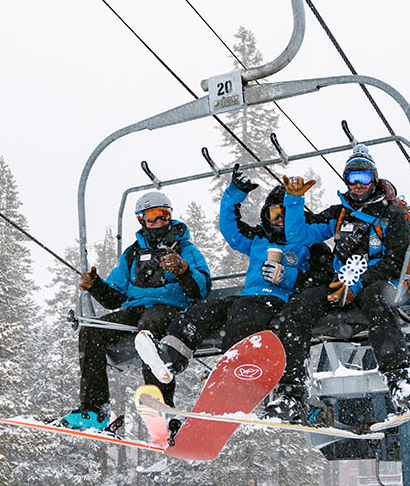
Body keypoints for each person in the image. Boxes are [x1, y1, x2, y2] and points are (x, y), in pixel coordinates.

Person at [265, 144, 410, 423]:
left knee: (379, 301)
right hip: (340, 283)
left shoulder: (391, 213)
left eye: (363, 178)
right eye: (352, 179)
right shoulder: (340, 213)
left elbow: (396, 260)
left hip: (375, 280)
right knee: (297, 308)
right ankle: (291, 391)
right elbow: (298, 236)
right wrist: (293, 201)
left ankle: (400, 382)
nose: (358, 185)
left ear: (374, 179)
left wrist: (359, 283)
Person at [136, 171, 327, 393]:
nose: (280, 219)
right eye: (275, 213)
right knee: (202, 311)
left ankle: (234, 370)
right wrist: (234, 194)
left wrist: (288, 277)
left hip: (280, 299)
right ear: (266, 215)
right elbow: (232, 230)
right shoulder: (259, 238)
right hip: (249, 295)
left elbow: (324, 278)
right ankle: (171, 357)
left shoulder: (308, 244)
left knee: (245, 314)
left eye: (286, 213)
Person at [60, 190, 210, 431]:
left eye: (164, 214)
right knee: (92, 330)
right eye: (152, 216)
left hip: (172, 309)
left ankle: (160, 403)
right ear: (142, 219)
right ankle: (95, 410)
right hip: (135, 309)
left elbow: (202, 288)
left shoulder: (184, 249)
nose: (159, 221)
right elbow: (115, 296)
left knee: (150, 326)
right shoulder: (132, 254)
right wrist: (96, 286)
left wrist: (183, 270)